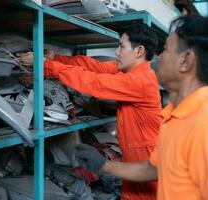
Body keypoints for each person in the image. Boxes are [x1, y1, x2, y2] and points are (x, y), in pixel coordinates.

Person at [73, 14, 208, 200]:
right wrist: (103, 164)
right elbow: (154, 168)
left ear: (185, 61)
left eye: (166, 49)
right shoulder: (173, 117)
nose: (158, 57)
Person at [17, 24, 162, 200]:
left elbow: (94, 83)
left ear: (139, 51)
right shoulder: (130, 72)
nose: (117, 52)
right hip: (135, 166)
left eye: (121, 46)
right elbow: (95, 67)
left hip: (146, 169)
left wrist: (47, 65)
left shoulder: (141, 81)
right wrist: (57, 58)